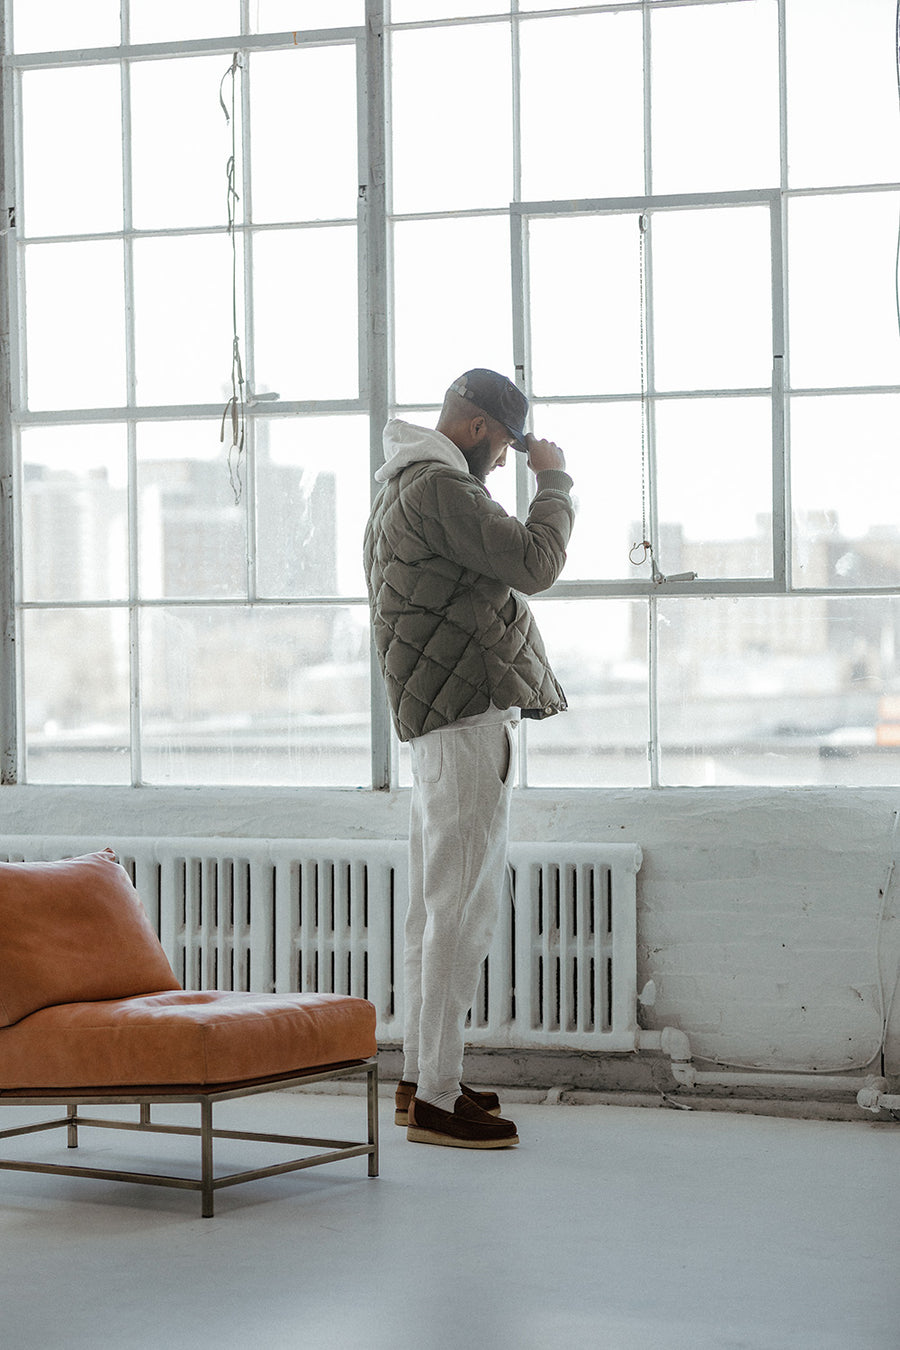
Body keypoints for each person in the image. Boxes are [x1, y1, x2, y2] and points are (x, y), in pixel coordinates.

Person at [363, 368, 574, 1149]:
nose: (504, 463)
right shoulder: (443, 488)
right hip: (464, 716)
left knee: (435, 905)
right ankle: (439, 1100)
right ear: (483, 430)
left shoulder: (403, 482)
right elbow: (534, 561)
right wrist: (555, 481)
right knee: (460, 907)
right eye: (506, 448)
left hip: (439, 718)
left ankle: (423, 1080)